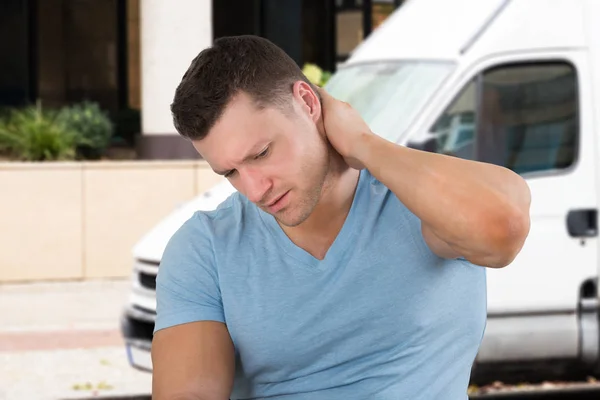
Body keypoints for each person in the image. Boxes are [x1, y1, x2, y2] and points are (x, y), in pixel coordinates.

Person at [151, 35, 531, 400]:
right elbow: (189, 392)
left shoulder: (418, 203)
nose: (254, 189)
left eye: (261, 153)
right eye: (230, 173)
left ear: (307, 102)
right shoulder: (205, 247)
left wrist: (363, 144)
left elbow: (502, 231)